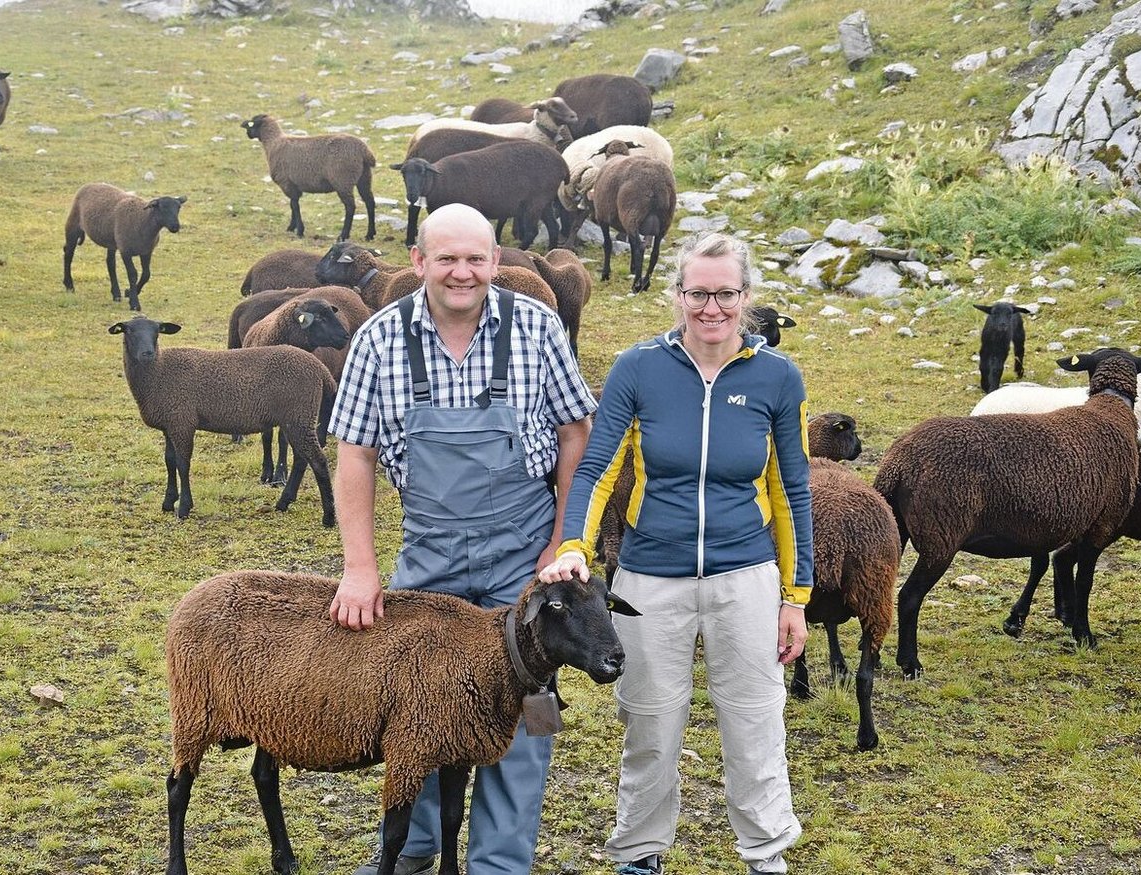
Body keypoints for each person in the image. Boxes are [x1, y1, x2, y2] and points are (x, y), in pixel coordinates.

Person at [327, 202, 597, 875]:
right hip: (430, 550)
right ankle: (414, 849)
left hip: (524, 551)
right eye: (446, 257)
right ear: (418, 262)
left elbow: (576, 435)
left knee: (525, 704)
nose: (462, 271)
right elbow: (354, 455)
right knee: (416, 699)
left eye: (476, 258)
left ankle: (499, 863)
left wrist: (563, 542)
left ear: (496, 262)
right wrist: (359, 567)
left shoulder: (537, 328)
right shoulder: (380, 339)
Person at [539, 231, 813, 875]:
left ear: (745, 297)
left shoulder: (778, 377)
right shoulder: (639, 368)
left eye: (725, 294)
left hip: (745, 575)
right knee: (650, 722)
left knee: (754, 719)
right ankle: (639, 853)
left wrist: (794, 597)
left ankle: (765, 853)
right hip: (647, 579)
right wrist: (575, 543)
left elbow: (792, 489)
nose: (711, 308)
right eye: (698, 293)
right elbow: (598, 469)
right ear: (679, 294)